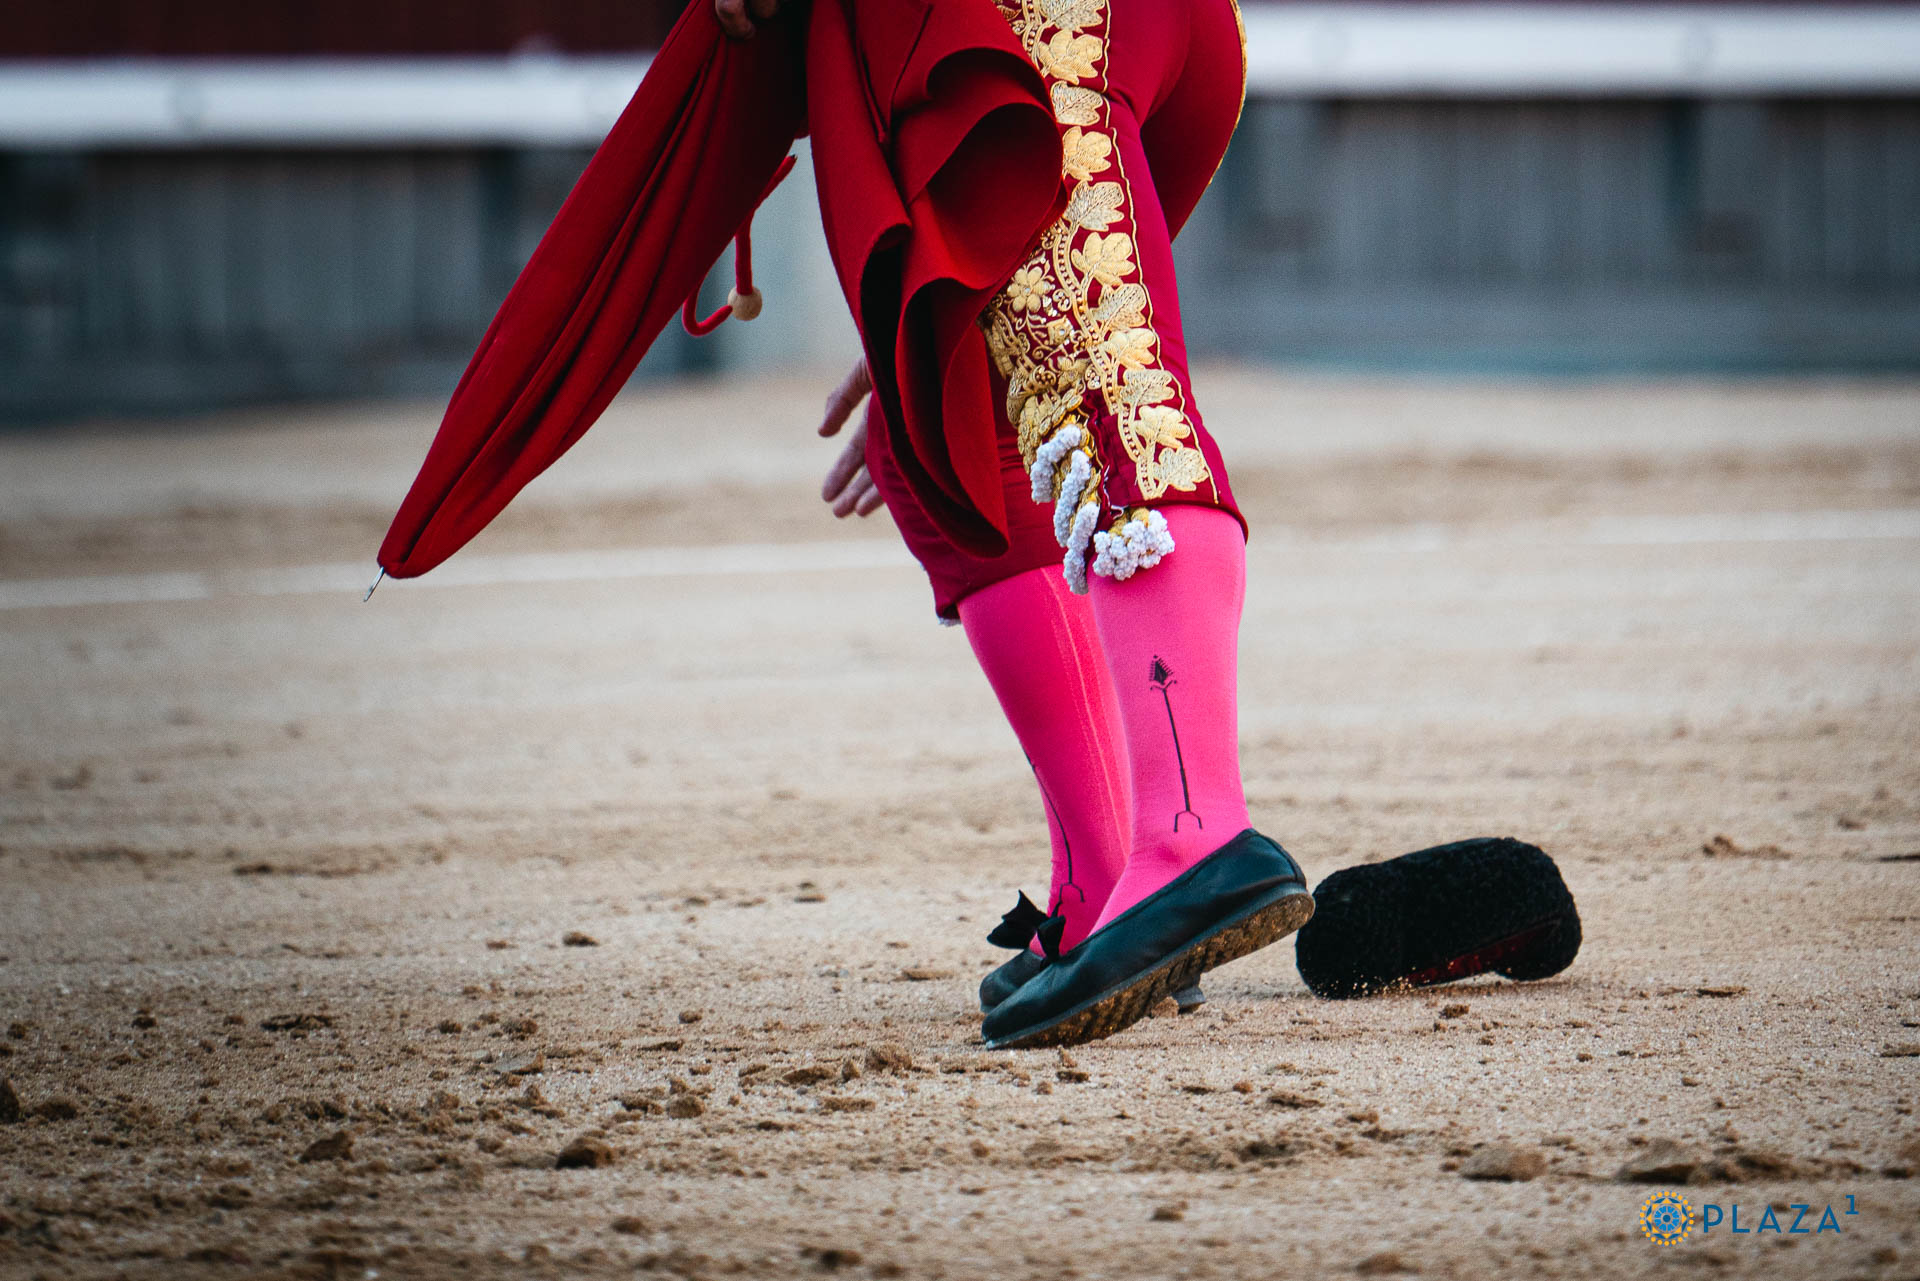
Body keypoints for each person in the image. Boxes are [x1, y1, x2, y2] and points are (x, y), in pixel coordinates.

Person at [725, 0, 1314, 1049]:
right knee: (945, 432)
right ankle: (1105, 887)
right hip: (1054, 35)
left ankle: (1190, 837)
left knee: (1109, 396)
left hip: (1032, 28)